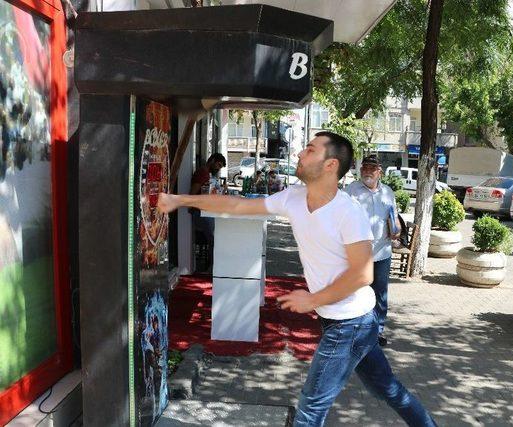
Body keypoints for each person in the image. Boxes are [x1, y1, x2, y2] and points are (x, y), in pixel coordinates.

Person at [157, 131, 436, 427]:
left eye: (310, 150)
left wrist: (313, 299)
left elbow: (363, 274)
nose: (300, 154)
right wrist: (180, 199)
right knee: (388, 389)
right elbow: (238, 205)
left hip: (351, 323)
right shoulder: (293, 197)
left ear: (331, 165)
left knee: (310, 409)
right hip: (344, 320)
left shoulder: (348, 212)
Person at [345, 154, 400, 347]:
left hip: (382, 251)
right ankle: (356, 331)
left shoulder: (388, 193)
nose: (367, 171)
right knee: (357, 291)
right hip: (358, 251)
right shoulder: (351, 190)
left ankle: (377, 332)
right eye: (365, 168)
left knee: (380, 294)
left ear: (380, 172)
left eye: (372, 168)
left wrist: (396, 229)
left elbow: (393, 217)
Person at [190, 153, 226, 271]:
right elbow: (193, 194)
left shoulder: (207, 174)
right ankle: (214, 268)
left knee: (217, 237)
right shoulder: (202, 173)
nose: (218, 168)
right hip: (200, 213)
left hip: (206, 212)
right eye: (218, 165)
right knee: (215, 239)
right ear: (213, 160)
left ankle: (214, 267)